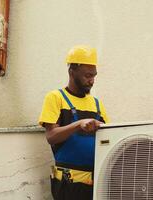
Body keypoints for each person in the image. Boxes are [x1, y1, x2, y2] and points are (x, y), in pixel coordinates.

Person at [39, 45, 109, 200]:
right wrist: (78, 125)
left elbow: (109, 137)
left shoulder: (97, 104)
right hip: (68, 185)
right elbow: (51, 136)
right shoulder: (56, 98)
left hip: (97, 183)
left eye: (94, 76)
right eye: (87, 75)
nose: (91, 81)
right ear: (72, 72)